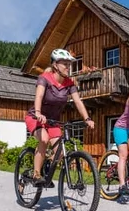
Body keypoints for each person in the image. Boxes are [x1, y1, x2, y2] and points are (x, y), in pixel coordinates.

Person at [25, 48, 95, 186]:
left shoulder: (69, 83)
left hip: (53, 121)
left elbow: (78, 101)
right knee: (44, 139)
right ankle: (36, 174)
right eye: (65, 64)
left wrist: (87, 118)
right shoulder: (44, 78)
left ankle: (46, 167)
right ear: (55, 65)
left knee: (61, 153)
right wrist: (38, 113)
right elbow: (39, 96)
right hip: (35, 117)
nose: (68, 67)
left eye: (69, 64)